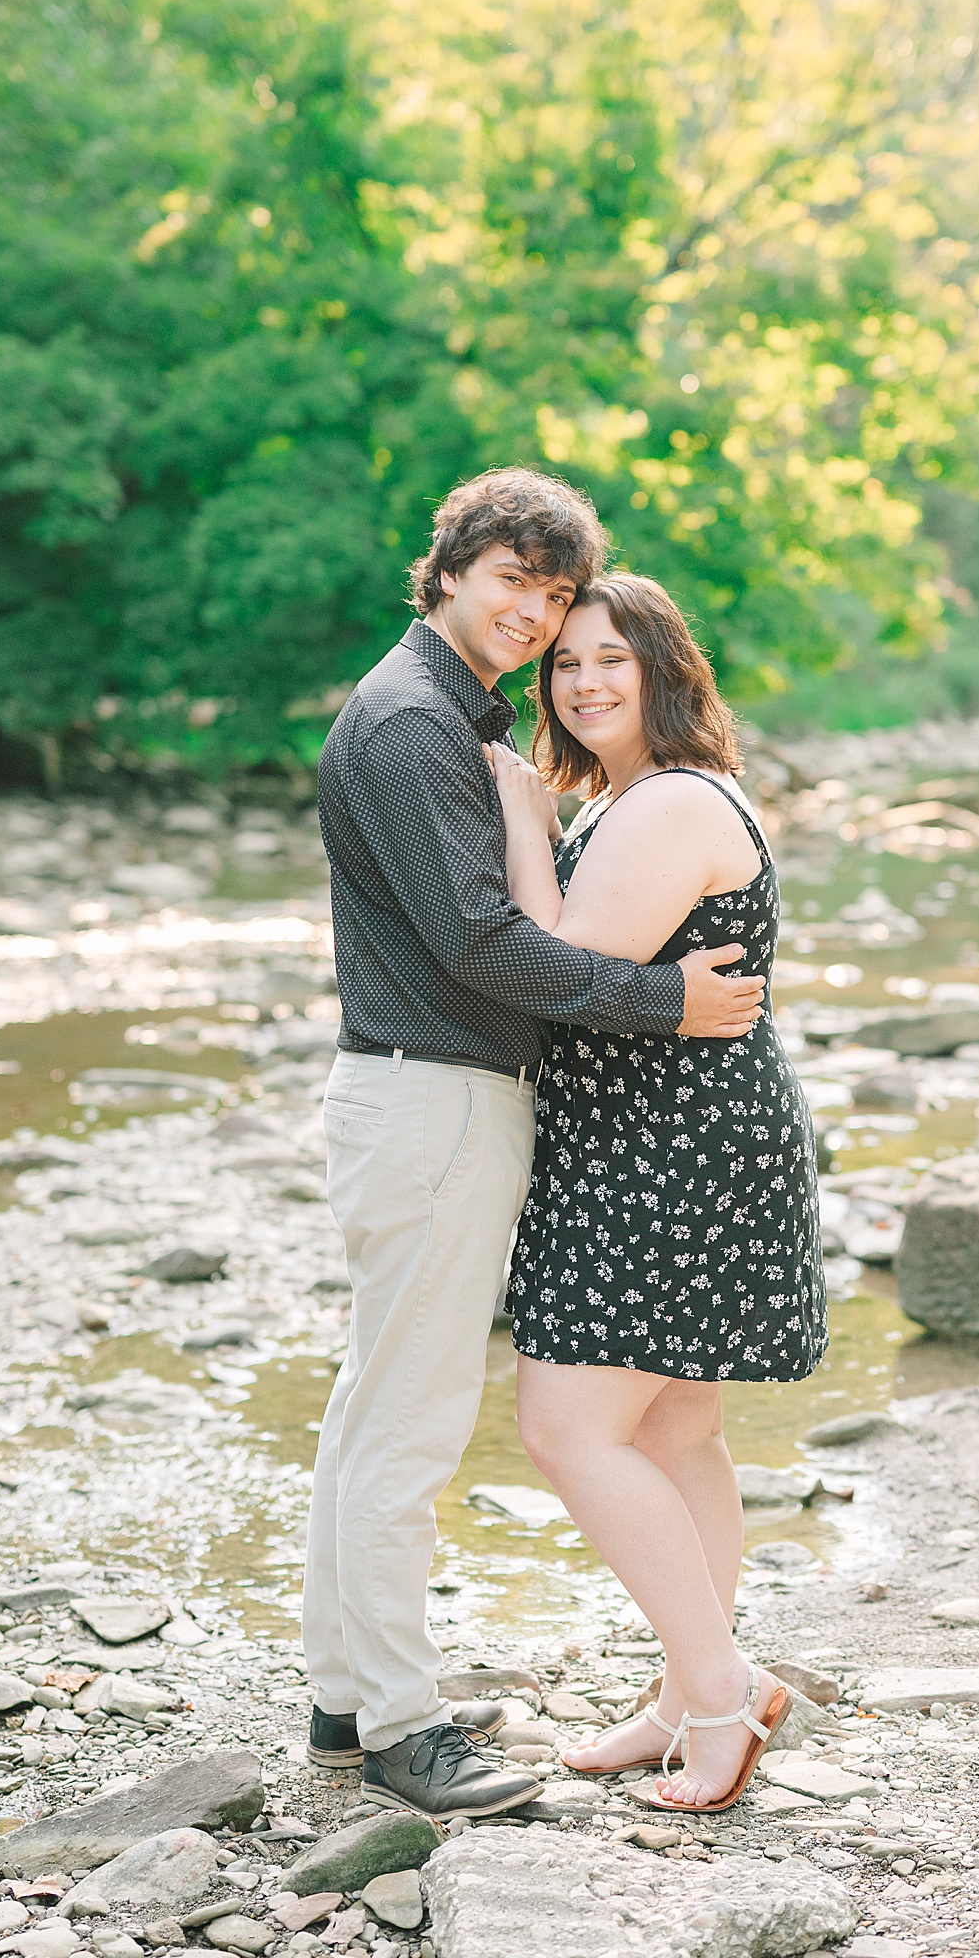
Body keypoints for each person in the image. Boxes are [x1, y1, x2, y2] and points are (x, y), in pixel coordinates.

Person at [305, 469, 768, 1823]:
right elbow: (480, 943)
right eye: (512, 579)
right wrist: (667, 999)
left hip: (429, 1095)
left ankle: (348, 1690)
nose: (532, 612)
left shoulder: (450, 722)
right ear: (445, 570)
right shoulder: (407, 725)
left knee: (372, 1406)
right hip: (433, 1096)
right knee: (407, 1420)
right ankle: (396, 1719)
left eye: (555, 593)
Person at [487, 571, 826, 1812]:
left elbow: (561, 963)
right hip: (667, 1138)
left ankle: (721, 1691)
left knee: (567, 1427)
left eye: (609, 661)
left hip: (669, 1153)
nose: (582, 683)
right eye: (564, 665)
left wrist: (525, 819)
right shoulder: (642, 796)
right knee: (676, 1428)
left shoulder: (674, 799)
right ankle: (690, 1695)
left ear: (663, 670)